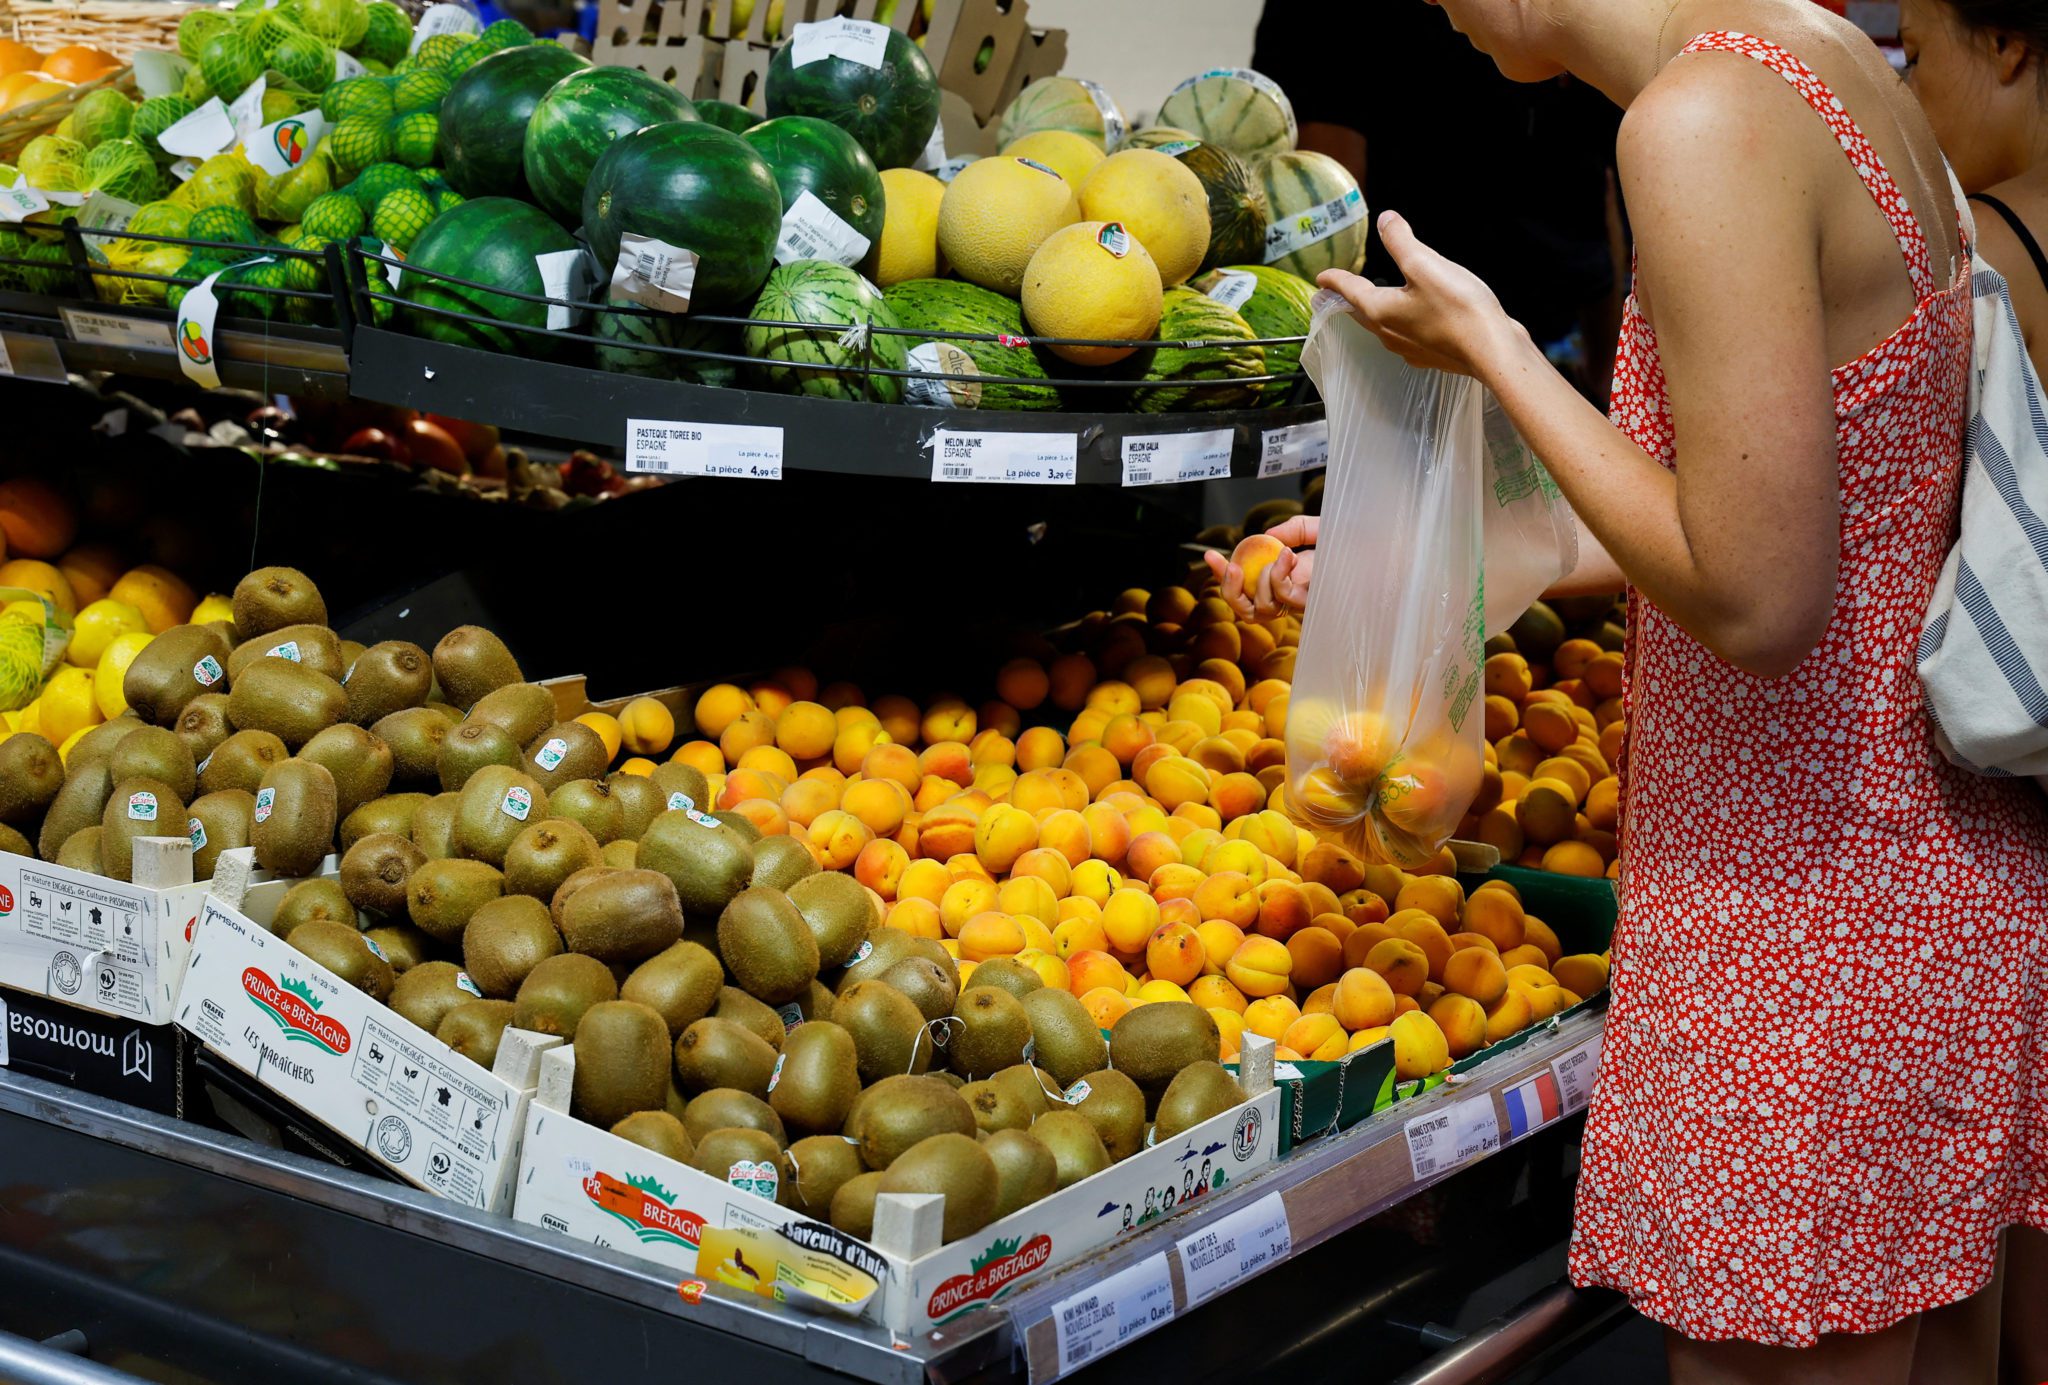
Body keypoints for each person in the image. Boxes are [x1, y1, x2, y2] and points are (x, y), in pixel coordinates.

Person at [1208, 1, 2048, 1381]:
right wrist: (1431, 543)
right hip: (1921, 902)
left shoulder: (1700, 123)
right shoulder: (1829, 65)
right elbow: (1757, 497)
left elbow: (1762, 596)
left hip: (1804, 945)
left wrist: (1490, 352)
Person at [1250, 2, 1628, 403]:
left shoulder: (1650, 102)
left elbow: (1605, 184)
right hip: (1409, 346)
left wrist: (1606, 369)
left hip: (1544, 340)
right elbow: (1322, 195)